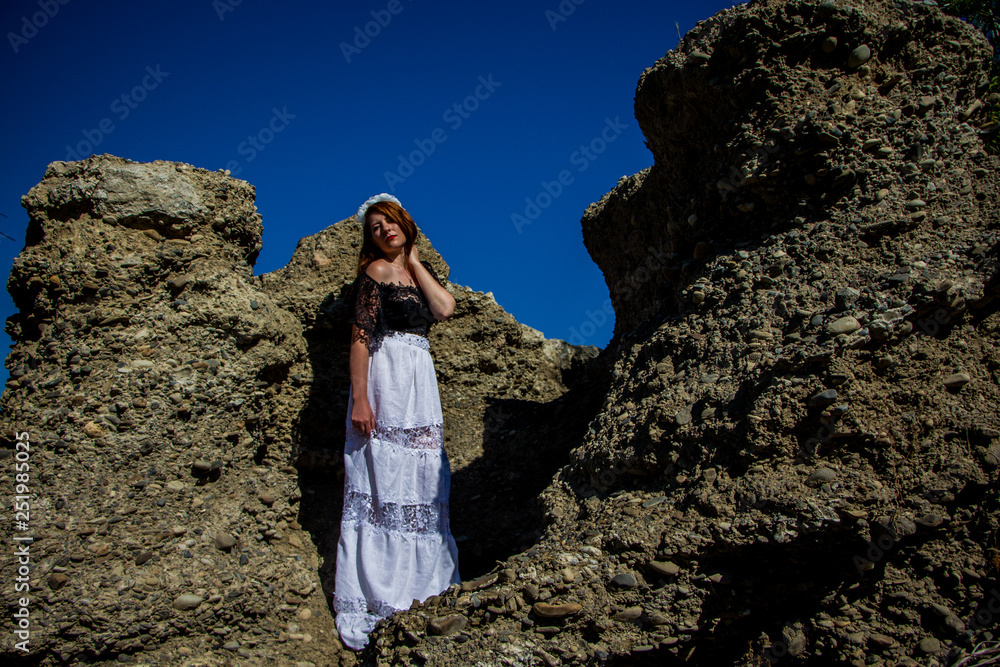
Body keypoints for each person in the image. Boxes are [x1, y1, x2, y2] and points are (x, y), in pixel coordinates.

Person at [333, 193, 460, 650]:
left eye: (389, 222)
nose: (383, 230)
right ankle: (377, 593)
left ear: (405, 223)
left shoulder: (408, 269)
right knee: (381, 480)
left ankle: (423, 588)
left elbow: (444, 308)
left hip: (418, 380)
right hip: (386, 378)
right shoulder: (375, 272)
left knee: (422, 480)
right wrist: (361, 399)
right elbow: (361, 338)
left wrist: (415, 259)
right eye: (374, 227)